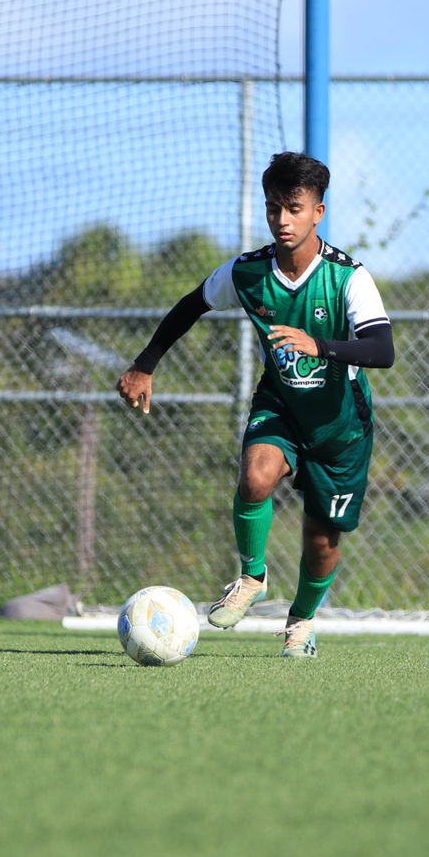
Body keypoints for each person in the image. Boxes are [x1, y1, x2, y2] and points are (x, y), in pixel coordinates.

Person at [116, 151, 393, 657]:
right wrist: (145, 364)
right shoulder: (248, 273)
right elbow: (192, 304)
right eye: (273, 209)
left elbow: (382, 349)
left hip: (342, 427)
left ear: (318, 212)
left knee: (322, 541)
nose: (282, 221)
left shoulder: (349, 278)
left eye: (294, 208)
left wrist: (320, 345)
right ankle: (252, 577)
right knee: (255, 476)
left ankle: (302, 623)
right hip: (282, 405)